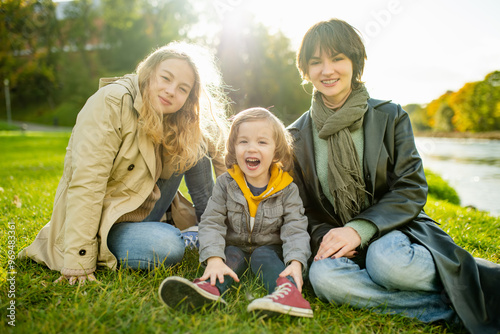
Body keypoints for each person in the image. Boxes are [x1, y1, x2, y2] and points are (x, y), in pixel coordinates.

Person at [287, 18, 500, 333]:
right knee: (324, 279)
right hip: (339, 240)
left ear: (355, 63)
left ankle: (477, 278)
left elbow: (411, 188)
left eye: (337, 58)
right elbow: (303, 209)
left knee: (385, 264)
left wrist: (360, 229)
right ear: (306, 70)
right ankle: (449, 308)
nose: (327, 70)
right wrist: (329, 239)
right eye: (316, 62)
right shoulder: (296, 135)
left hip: (397, 230)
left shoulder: (390, 116)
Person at [18, 42, 229, 285]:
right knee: (167, 246)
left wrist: (225, 241)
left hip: (144, 209)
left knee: (196, 139)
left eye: (182, 89)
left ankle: (211, 234)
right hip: (106, 224)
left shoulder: (179, 117)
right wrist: (78, 262)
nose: (171, 91)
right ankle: (182, 236)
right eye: (166, 78)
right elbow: (87, 183)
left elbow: (219, 163)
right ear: (148, 73)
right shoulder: (110, 102)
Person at [158, 108, 313, 318]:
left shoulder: (287, 189)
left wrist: (296, 262)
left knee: (264, 256)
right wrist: (213, 258)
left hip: (269, 249)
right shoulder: (226, 184)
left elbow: (295, 229)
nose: (251, 149)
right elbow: (212, 223)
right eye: (243, 142)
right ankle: (208, 289)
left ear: (276, 151)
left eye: (262, 142)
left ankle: (287, 294)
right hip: (234, 246)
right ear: (233, 147)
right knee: (229, 256)